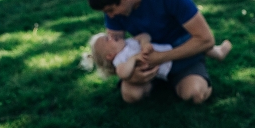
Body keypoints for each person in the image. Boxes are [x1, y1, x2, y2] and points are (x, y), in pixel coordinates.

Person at [86, 0, 232, 104]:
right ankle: (161, 82)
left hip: (182, 53)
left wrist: (161, 57)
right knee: (130, 95)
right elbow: (112, 54)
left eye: (111, 10)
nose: (110, 16)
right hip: (147, 64)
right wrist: (134, 75)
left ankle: (188, 76)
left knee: (195, 94)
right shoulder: (113, 8)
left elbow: (206, 40)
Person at [89, 32, 231, 83]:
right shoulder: (119, 60)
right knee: (194, 48)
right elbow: (123, 73)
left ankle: (217, 52)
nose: (112, 36)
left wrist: (144, 43)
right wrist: (134, 59)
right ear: (110, 55)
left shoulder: (128, 42)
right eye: (108, 39)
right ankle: (218, 52)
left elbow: (144, 35)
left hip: (168, 50)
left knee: (191, 45)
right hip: (168, 65)